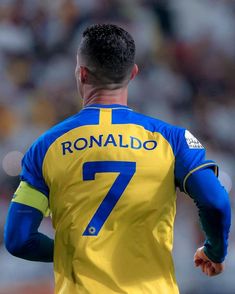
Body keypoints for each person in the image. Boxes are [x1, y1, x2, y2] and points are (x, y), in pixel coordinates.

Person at [4, 24, 231, 294]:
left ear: (82, 73)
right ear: (133, 73)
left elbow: (18, 239)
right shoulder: (172, 140)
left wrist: (80, 253)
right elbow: (215, 201)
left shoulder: (46, 147)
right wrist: (214, 251)